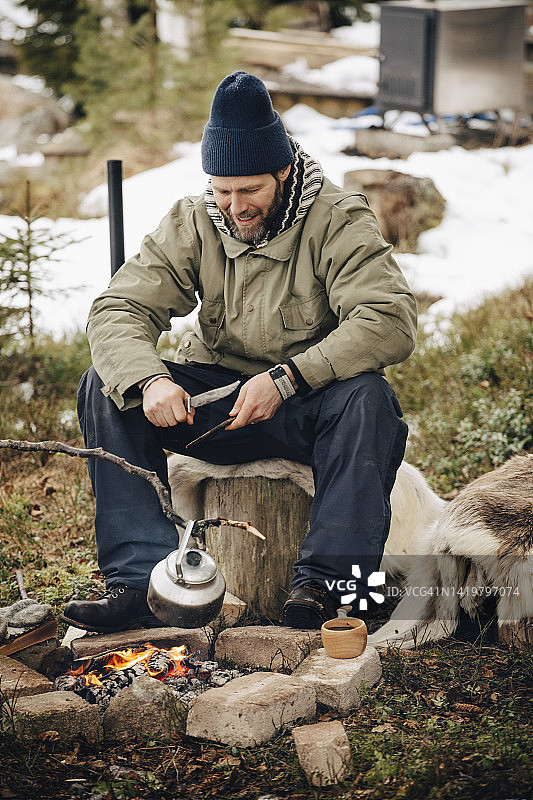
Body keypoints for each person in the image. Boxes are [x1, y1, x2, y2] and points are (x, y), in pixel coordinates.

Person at [63, 71, 417, 634]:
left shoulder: (337, 218)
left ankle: (328, 588)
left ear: (283, 170)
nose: (234, 205)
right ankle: (138, 582)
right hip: (218, 404)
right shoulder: (195, 218)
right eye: (222, 190)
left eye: (249, 190)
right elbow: (118, 309)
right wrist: (151, 381)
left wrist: (288, 378)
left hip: (307, 403)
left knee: (370, 399)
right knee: (105, 386)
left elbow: (390, 320)